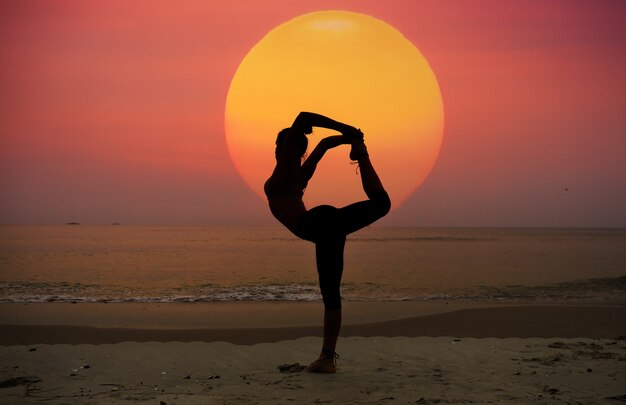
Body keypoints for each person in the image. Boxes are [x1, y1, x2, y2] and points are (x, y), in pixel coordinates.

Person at [264, 112, 391, 373]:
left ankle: (326, 358)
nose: (279, 149)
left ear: (290, 149)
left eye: (282, 145)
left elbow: (302, 116)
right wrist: (350, 138)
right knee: (331, 293)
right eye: (278, 146)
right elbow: (323, 145)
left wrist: (346, 129)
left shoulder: (288, 167)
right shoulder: (299, 173)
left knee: (330, 293)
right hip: (326, 227)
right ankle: (327, 358)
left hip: (317, 223)